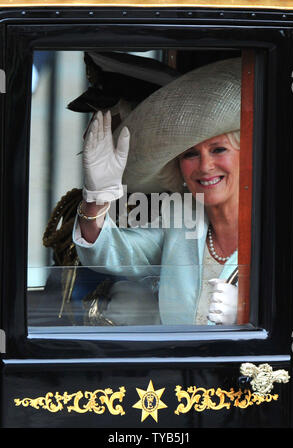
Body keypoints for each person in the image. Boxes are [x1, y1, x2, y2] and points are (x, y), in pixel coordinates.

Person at [73, 57, 241, 326]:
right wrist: (97, 198)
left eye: (219, 150)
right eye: (190, 154)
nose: (205, 166)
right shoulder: (180, 215)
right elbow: (112, 255)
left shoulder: (278, 228)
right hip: (177, 366)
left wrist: (249, 312)